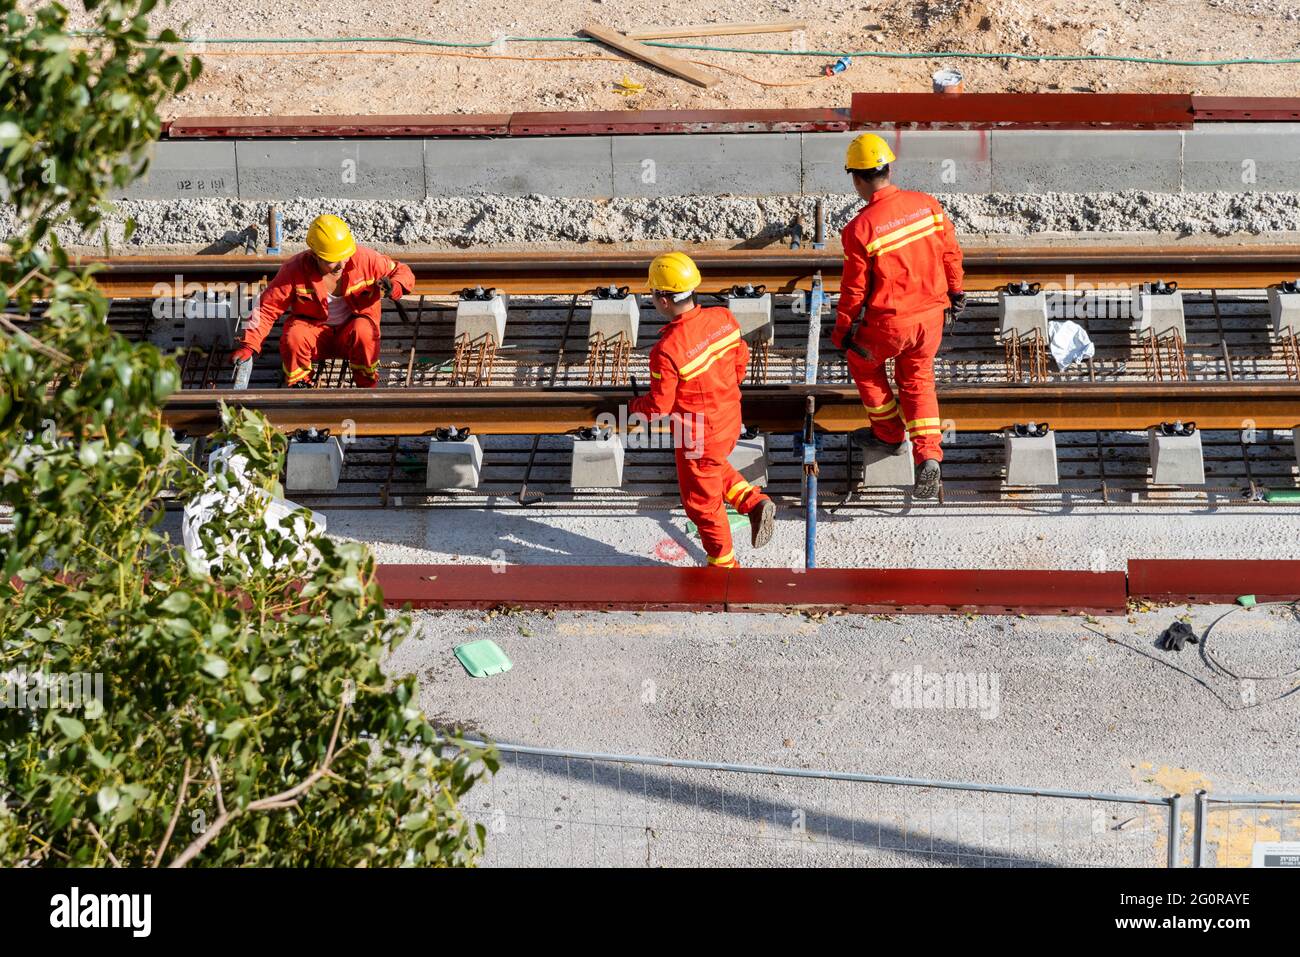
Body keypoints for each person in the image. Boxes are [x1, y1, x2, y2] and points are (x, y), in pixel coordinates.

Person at [831, 133, 966, 499]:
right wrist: (956, 293)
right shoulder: (927, 205)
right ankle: (929, 457)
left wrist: (843, 330)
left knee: (863, 365)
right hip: (931, 320)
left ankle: (889, 434)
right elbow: (952, 254)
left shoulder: (859, 229)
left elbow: (854, 290)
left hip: (889, 325)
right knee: (918, 379)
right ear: (889, 168)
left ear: (857, 178)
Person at [629, 252, 776, 568]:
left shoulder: (666, 350)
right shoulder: (723, 318)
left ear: (664, 299)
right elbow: (740, 360)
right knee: (713, 467)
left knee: (702, 505)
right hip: (729, 419)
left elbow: (658, 407)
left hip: (696, 435)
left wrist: (632, 409)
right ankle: (753, 502)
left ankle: (724, 567)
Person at [231, 214, 414, 388]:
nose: (341, 264)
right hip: (315, 333)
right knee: (294, 336)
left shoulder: (366, 260)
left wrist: (396, 286)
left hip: (351, 333)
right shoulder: (295, 269)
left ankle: (366, 385)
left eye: (344, 256)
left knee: (365, 332)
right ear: (315, 255)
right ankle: (300, 386)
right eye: (332, 261)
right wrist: (249, 345)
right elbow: (267, 308)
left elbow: (403, 271)